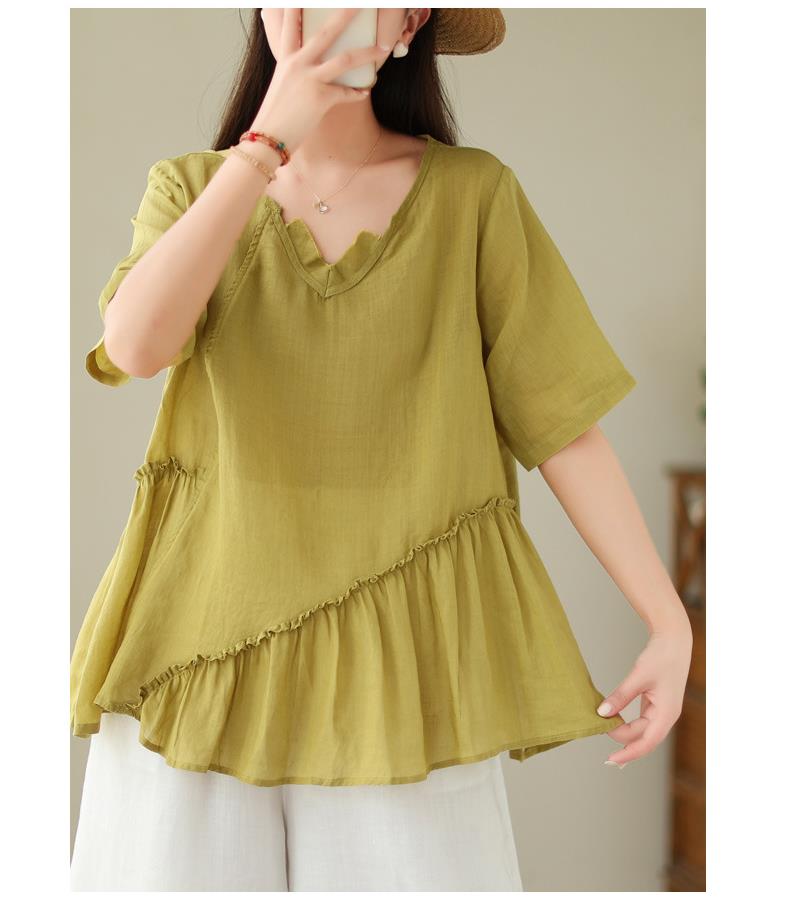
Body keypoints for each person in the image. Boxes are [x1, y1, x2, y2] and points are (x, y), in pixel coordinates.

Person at [70, 8, 693, 892]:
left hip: (409, 671)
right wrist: (264, 146)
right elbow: (136, 347)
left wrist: (668, 621)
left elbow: (562, 421)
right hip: (197, 647)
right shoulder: (190, 186)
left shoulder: (474, 195)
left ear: (410, 20)